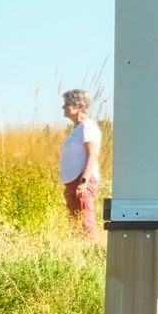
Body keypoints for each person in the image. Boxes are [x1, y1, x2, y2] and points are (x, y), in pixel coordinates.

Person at [59, 88, 101, 238]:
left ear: (80, 107)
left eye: (67, 104)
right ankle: (79, 252)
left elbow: (92, 155)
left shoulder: (87, 127)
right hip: (74, 181)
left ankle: (92, 250)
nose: (63, 107)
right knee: (74, 221)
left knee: (85, 220)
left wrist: (83, 181)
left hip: (82, 179)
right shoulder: (78, 128)